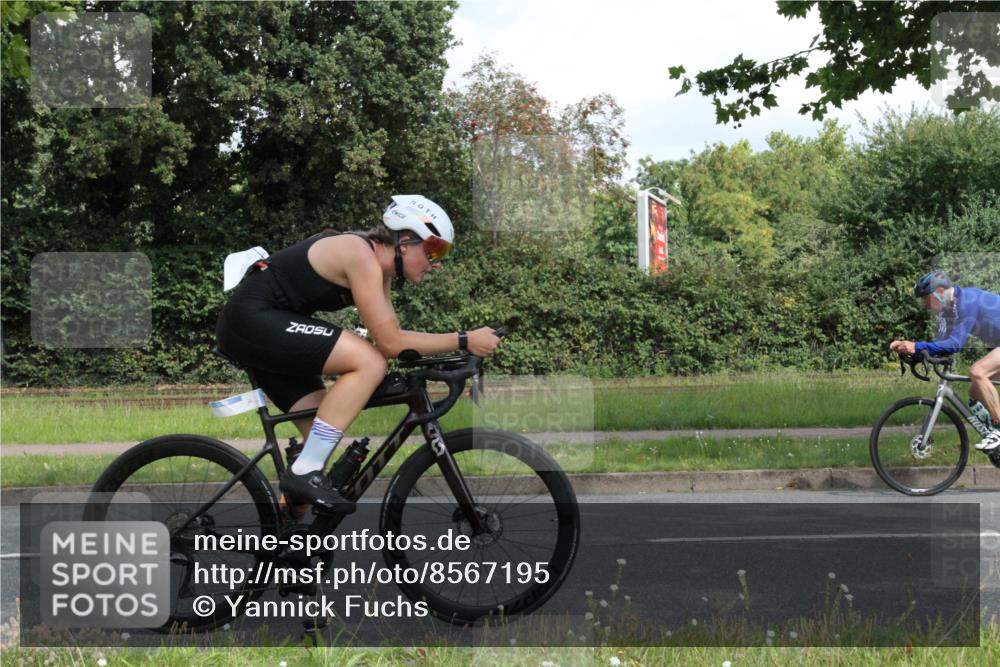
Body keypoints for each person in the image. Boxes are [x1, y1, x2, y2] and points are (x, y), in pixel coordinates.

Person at [216, 195, 501, 512]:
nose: (436, 262)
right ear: (405, 242)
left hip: (268, 327)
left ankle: (286, 535)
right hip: (251, 319)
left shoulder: (380, 272)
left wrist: (450, 358)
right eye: (433, 250)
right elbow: (389, 345)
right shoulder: (360, 255)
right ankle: (302, 474)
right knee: (368, 362)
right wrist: (464, 340)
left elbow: (395, 343)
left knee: (321, 435)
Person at [889, 270, 1000, 450]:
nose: (924, 304)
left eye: (925, 298)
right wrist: (911, 350)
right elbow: (941, 345)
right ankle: (994, 439)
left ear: (940, 292)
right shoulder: (947, 312)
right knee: (975, 390)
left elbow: (955, 344)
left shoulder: (967, 302)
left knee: (977, 372)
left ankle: (998, 430)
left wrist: (917, 345)